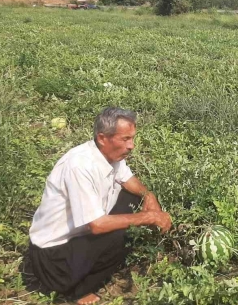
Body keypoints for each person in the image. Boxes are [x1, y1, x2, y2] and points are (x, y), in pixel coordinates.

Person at [28, 107, 172, 305]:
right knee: (124, 234)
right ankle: (77, 290)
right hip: (54, 260)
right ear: (103, 138)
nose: (132, 146)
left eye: (132, 138)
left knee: (133, 199)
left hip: (77, 237)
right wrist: (149, 217)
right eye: (125, 139)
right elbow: (97, 225)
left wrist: (149, 195)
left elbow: (128, 179)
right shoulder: (79, 166)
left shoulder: (109, 154)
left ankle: (88, 269)